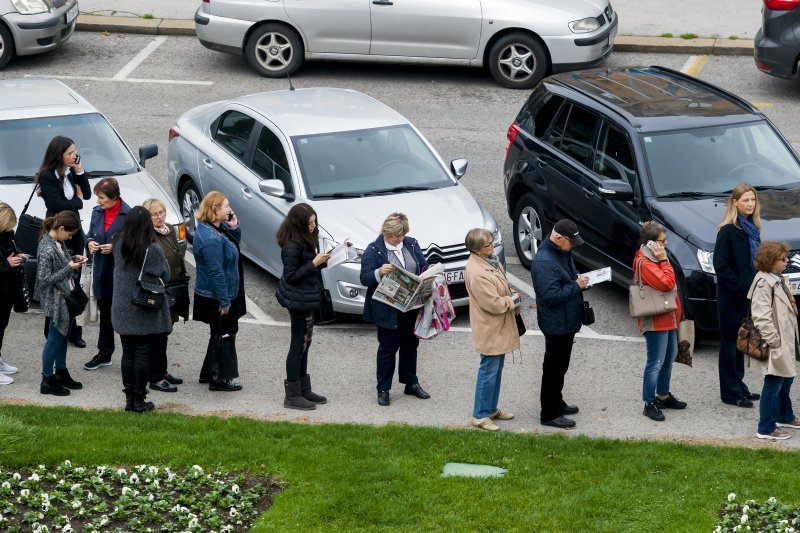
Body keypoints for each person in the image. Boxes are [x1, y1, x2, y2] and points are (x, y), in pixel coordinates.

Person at [360, 212, 431, 406]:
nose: (400, 239)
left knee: (411, 345)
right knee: (387, 348)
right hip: (388, 309)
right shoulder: (373, 251)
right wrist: (378, 272)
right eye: (395, 236)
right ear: (386, 232)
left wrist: (427, 275)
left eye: (402, 235)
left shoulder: (411, 243)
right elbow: (365, 278)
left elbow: (423, 265)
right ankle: (383, 389)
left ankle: (411, 383)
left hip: (411, 306)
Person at [111, 206, 173, 413]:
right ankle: (138, 399)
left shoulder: (118, 242)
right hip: (143, 307)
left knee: (127, 353)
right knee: (142, 354)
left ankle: (130, 399)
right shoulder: (152, 248)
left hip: (122, 307)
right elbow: (165, 274)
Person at [531, 219, 587, 429]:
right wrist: (576, 286)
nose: (572, 247)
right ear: (558, 238)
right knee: (553, 369)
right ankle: (549, 414)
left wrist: (579, 282)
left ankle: (557, 403)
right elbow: (550, 296)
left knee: (560, 366)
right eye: (570, 243)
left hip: (565, 321)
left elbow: (567, 279)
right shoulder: (544, 261)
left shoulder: (561, 252)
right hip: (556, 324)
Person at [36, 135, 91, 349]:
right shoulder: (47, 176)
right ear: (59, 155)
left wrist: (79, 171)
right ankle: (52, 327)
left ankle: (73, 330)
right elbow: (58, 205)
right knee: (58, 283)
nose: (74, 156)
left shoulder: (71, 173)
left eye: (75, 152)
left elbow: (86, 195)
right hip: (58, 234)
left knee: (74, 282)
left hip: (74, 234)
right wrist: (75, 201)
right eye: (70, 153)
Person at [464, 228, 519, 431]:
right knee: (488, 370)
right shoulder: (478, 272)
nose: (493, 245)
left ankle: (491, 409)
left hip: (498, 327)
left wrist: (509, 293)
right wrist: (513, 300)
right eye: (488, 244)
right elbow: (494, 304)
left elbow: (502, 286)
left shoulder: (490, 260)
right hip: (490, 327)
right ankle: (480, 414)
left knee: (495, 370)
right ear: (477, 250)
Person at [275, 204, 330, 410]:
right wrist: (315, 263)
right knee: (297, 345)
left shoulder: (307, 237)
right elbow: (292, 276)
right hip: (297, 301)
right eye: (310, 223)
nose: (314, 226)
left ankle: (303, 389)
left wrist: (324, 260)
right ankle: (292, 395)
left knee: (305, 344)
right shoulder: (292, 245)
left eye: (315, 222)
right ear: (299, 223)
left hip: (307, 297)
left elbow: (309, 267)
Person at [714, 183, 761, 408]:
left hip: (746, 296)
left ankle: (739, 385)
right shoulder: (728, 230)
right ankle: (730, 392)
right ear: (735, 203)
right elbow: (720, 266)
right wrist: (741, 286)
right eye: (746, 200)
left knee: (740, 342)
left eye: (752, 200)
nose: (750, 204)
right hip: (731, 297)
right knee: (729, 343)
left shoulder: (751, 228)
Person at [634, 222, 687, 422]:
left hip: (669, 315)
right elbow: (667, 283)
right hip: (656, 318)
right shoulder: (646, 262)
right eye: (662, 241)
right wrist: (664, 260)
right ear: (651, 243)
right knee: (655, 361)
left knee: (669, 356)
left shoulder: (655, 257)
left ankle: (663, 395)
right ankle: (649, 402)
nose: (666, 244)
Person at [192, 191, 245, 392]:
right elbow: (215, 272)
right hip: (217, 296)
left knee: (218, 333)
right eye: (225, 206)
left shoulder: (216, 228)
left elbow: (233, 246)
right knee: (224, 334)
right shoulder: (211, 238)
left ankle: (209, 373)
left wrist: (234, 227)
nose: (229, 209)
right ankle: (219, 378)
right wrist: (224, 301)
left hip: (221, 293)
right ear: (215, 210)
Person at [749, 241, 800, 440]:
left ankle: (784, 415)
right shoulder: (764, 283)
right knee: (773, 382)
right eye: (782, 259)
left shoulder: (778, 278)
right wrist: (775, 342)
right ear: (770, 261)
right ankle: (766, 428)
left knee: (787, 377)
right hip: (776, 342)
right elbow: (761, 317)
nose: (787, 262)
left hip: (785, 340)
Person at [35, 210, 86, 396]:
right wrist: (68, 268)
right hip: (56, 301)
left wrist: (73, 259)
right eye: (70, 234)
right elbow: (44, 280)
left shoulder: (58, 241)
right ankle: (47, 380)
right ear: (61, 228)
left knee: (63, 336)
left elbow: (60, 265)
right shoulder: (47, 248)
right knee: (54, 339)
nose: (70, 237)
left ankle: (61, 372)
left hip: (66, 298)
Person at [83, 178, 130, 371]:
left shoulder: (129, 215)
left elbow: (136, 243)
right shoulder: (97, 212)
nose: (98, 201)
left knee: (126, 317)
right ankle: (104, 353)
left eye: (101, 197)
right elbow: (89, 234)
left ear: (114, 197)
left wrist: (115, 247)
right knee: (106, 317)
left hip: (121, 273)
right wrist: (90, 243)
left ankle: (132, 355)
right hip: (102, 272)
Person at [144, 198, 187, 393]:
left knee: (166, 332)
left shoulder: (169, 229)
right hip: (159, 290)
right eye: (155, 214)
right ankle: (155, 376)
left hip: (174, 288)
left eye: (162, 212)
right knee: (158, 335)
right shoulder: (147, 236)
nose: (160, 217)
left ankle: (162, 370)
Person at [0, 203, 23, 385]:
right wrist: (7, 264)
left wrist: (18, 256)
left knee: (2, 326)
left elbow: (10, 252)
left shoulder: (7, 236)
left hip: (6, 290)